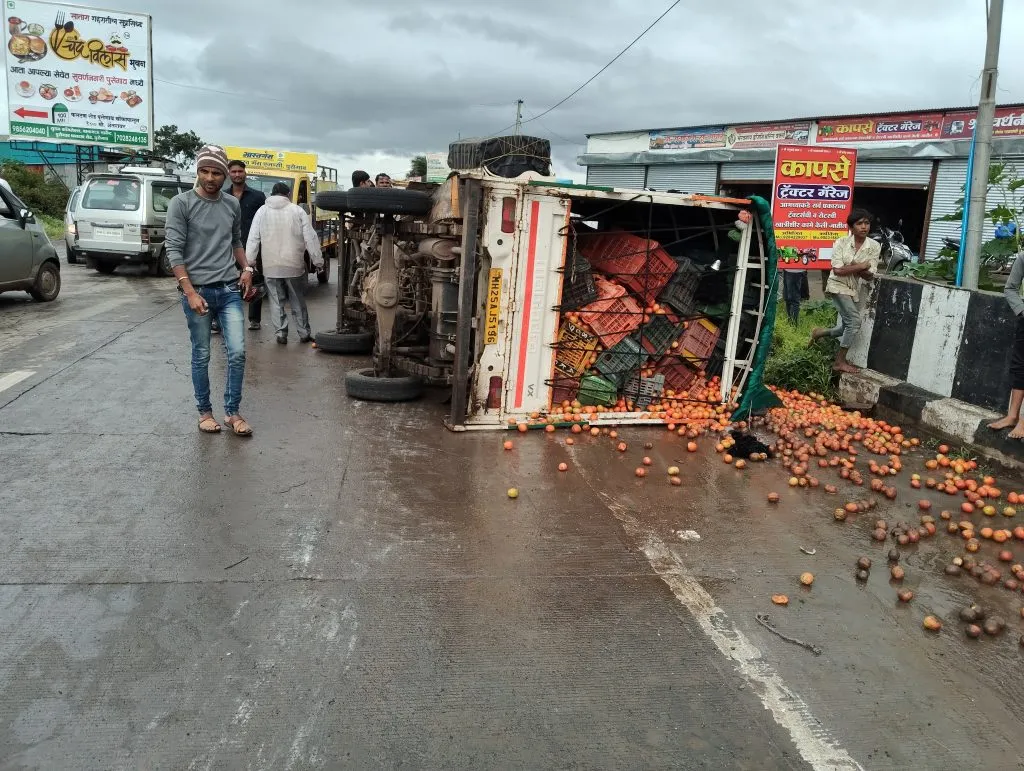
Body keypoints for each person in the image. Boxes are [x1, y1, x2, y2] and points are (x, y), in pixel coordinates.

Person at [166, 144, 254, 437]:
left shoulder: (231, 204)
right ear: (198, 171)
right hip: (198, 291)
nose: (210, 177)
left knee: (238, 352)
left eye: (216, 172)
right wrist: (190, 292)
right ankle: (205, 412)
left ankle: (232, 412)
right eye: (204, 171)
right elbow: (174, 252)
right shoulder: (181, 204)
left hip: (228, 289)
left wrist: (247, 269)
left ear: (226, 174)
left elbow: (236, 242)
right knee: (201, 353)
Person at [246, 182, 323, 345]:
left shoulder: (262, 211)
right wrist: (317, 260)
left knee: (275, 301)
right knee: (297, 299)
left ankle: (281, 334)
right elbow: (310, 237)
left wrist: (250, 261)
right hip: (294, 265)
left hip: (270, 266)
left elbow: (253, 238)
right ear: (288, 195)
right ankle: (303, 333)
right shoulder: (297, 210)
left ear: (272, 194)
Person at [810, 209, 880, 374]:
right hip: (837, 284)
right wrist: (862, 265)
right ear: (851, 227)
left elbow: (870, 276)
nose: (864, 227)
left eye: (867, 223)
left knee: (846, 327)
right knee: (854, 322)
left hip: (853, 288)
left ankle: (819, 333)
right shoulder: (841, 242)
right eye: (859, 223)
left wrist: (855, 267)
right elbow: (838, 271)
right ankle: (839, 362)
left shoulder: (874, 246)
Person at [227, 159, 267, 330]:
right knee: (226, 282)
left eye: (240, 171)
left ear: (245, 173)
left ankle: (254, 320)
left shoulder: (258, 196)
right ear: (229, 174)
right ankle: (222, 318)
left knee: (255, 283)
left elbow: (264, 223)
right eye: (234, 172)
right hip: (227, 247)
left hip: (252, 248)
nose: (237, 174)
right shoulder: (223, 196)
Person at [988, 252, 1024, 437]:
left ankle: (1023, 422)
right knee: (1019, 368)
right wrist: (1021, 310)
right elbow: (1010, 288)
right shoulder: (1023, 257)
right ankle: (1012, 416)